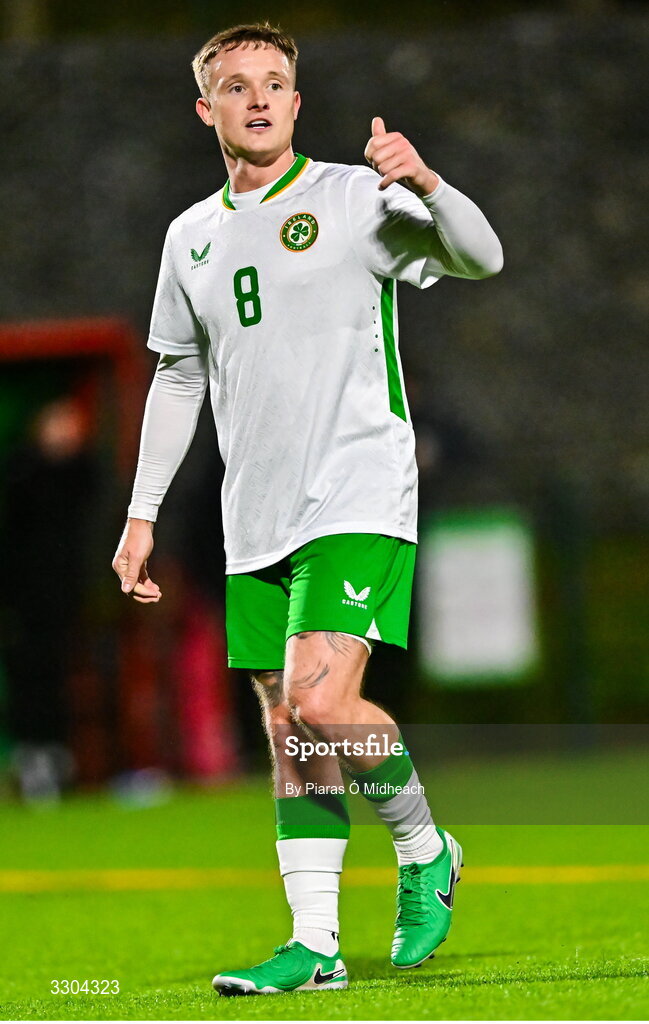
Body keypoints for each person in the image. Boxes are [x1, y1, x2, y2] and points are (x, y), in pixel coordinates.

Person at [112, 21, 503, 996]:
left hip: (358, 489)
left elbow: (480, 257)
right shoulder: (191, 236)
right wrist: (141, 512)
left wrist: (427, 185)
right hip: (258, 512)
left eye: (275, 82)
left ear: (295, 102)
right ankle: (315, 945)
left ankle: (424, 849)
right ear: (207, 108)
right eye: (236, 85)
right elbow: (179, 374)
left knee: (324, 701)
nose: (257, 98)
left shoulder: (351, 196)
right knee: (290, 726)